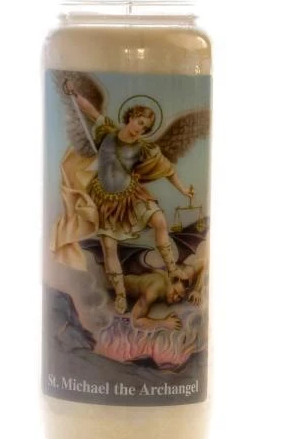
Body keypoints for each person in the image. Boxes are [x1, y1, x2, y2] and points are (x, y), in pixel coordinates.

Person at [64, 80, 193, 314]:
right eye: (140, 122)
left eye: (145, 128)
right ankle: (121, 294)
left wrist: (183, 189)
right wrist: (73, 92)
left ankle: (172, 268)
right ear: (131, 117)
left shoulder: (143, 148)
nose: (140, 129)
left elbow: (167, 169)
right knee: (109, 246)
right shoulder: (107, 131)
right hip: (105, 200)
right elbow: (90, 111)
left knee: (159, 221)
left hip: (131, 196)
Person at [124, 258, 206, 331]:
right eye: (175, 292)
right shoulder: (156, 288)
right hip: (120, 287)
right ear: (171, 283)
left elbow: (204, 262)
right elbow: (136, 321)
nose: (175, 298)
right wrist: (164, 323)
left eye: (179, 297)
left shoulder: (184, 275)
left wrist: (197, 290)